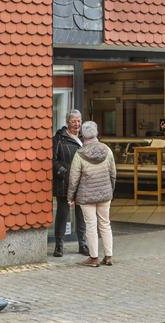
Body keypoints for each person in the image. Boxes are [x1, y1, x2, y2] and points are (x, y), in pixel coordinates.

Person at [67, 121, 117, 267]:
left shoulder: (80, 154)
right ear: (96, 133)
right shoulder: (107, 150)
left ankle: (94, 258)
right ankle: (108, 256)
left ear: (83, 135)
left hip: (86, 196)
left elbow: (74, 178)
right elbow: (113, 173)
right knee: (105, 224)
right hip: (105, 194)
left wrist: (71, 196)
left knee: (91, 225)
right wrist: (110, 190)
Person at [52, 110, 87, 257]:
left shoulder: (85, 139)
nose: (77, 124)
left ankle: (82, 244)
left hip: (82, 183)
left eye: (79, 121)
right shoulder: (59, 138)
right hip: (64, 182)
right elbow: (52, 160)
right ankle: (59, 246)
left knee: (82, 215)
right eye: (73, 121)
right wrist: (63, 171)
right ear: (68, 122)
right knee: (63, 214)